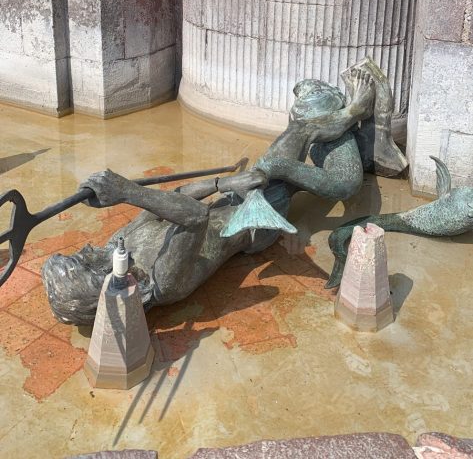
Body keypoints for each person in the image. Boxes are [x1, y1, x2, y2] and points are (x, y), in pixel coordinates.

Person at [42, 66, 391, 325]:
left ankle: (341, 128)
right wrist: (127, 191)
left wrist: (224, 183)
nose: (85, 248)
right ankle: (354, 118)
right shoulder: (164, 283)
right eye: (82, 259)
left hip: (235, 197)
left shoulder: (118, 246)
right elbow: (195, 217)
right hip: (256, 221)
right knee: (308, 151)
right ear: (103, 281)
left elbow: (179, 195)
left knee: (302, 119)